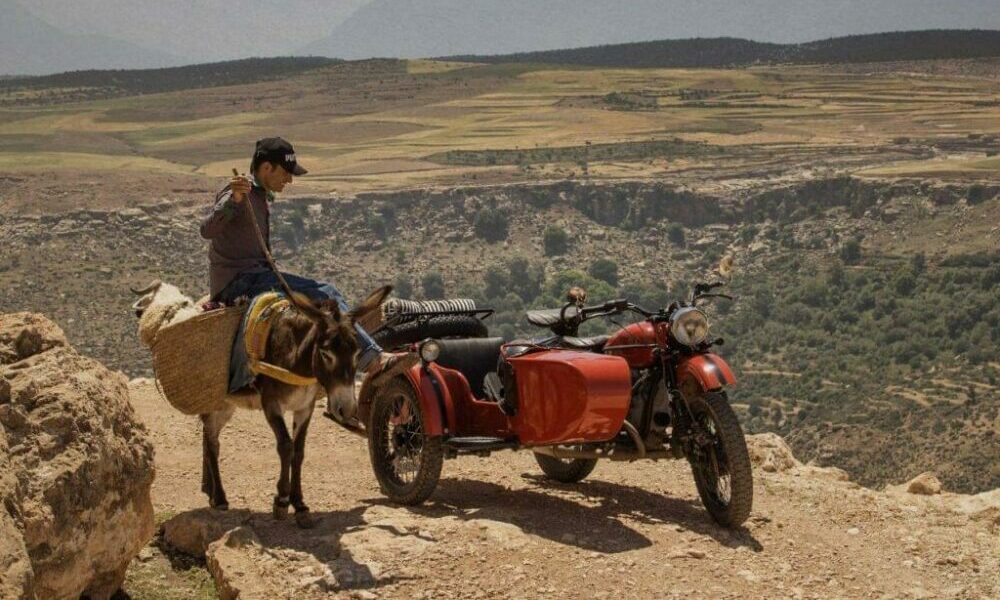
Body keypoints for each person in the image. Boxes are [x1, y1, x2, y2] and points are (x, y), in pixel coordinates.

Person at [199, 137, 414, 405]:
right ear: (267, 168)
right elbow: (207, 230)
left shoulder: (260, 196)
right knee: (326, 293)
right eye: (286, 173)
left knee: (317, 304)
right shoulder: (238, 194)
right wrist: (235, 199)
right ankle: (372, 359)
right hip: (239, 282)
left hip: (258, 277)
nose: (289, 180)